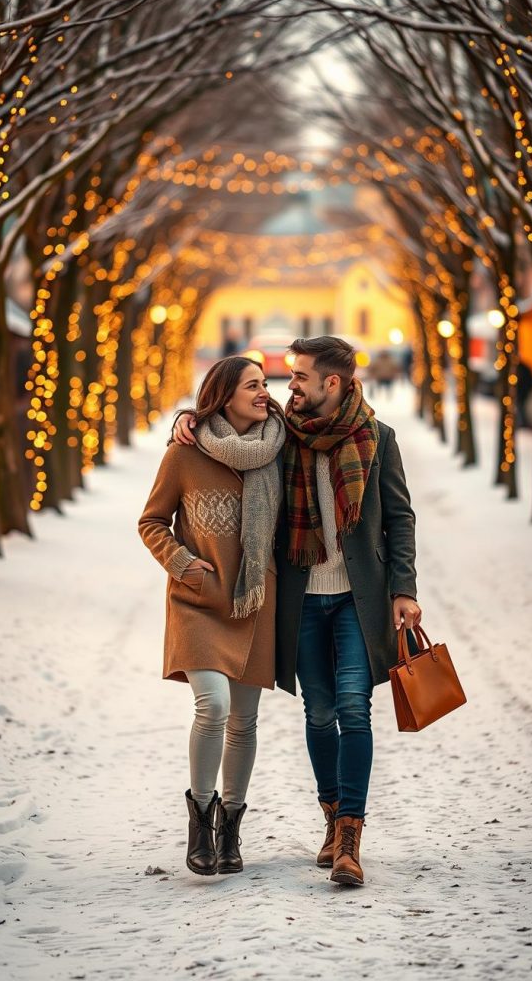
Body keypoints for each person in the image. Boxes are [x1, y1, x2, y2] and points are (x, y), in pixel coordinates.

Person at [174, 336, 421, 887]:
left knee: (355, 709)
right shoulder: (284, 438)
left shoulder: (379, 439)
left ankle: (350, 839)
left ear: (332, 384)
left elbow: (399, 517)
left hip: (359, 599)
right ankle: (331, 817)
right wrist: (186, 420)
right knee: (319, 713)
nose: (290, 387)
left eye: (299, 378)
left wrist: (403, 587)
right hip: (301, 600)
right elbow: (229, 433)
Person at [138, 357, 286, 876]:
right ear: (224, 394)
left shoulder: (278, 446)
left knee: (245, 721)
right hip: (198, 601)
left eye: (266, 384)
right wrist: (183, 564)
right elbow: (152, 520)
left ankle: (230, 832)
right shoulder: (185, 452)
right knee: (215, 705)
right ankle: (200, 819)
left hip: (254, 601)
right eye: (253, 385)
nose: (265, 392)